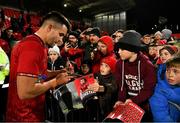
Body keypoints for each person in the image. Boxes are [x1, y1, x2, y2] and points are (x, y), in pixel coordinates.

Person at [6, 11, 72, 122]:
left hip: (32, 114)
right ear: (50, 27)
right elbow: (25, 92)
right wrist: (55, 81)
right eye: (60, 35)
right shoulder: (32, 46)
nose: (60, 40)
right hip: (23, 117)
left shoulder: (40, 45)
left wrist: (58, 72)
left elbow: (39, 78)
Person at [113, 30, 156, 122]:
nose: (119, 52)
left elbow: (149, 89)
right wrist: (121, 100)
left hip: (144, 106)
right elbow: (121, 85)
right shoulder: (119, 64)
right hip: (127, 103)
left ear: (133, 50)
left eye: (122, 49)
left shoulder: (147, 65)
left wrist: (134, 100)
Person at [149, 56, 180, 122]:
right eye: (168, 70)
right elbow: (161, 118)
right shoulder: (158, 91)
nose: (170, 75)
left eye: (175, 71)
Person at [88, 57, 117, 121]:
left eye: (106, 66)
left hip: (110, 108)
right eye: (101, 65)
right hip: (98, 108)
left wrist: (101, 88)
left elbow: (113, 88)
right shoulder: (96, 75)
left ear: (111, 68)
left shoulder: (114, 77)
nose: (102, 67)